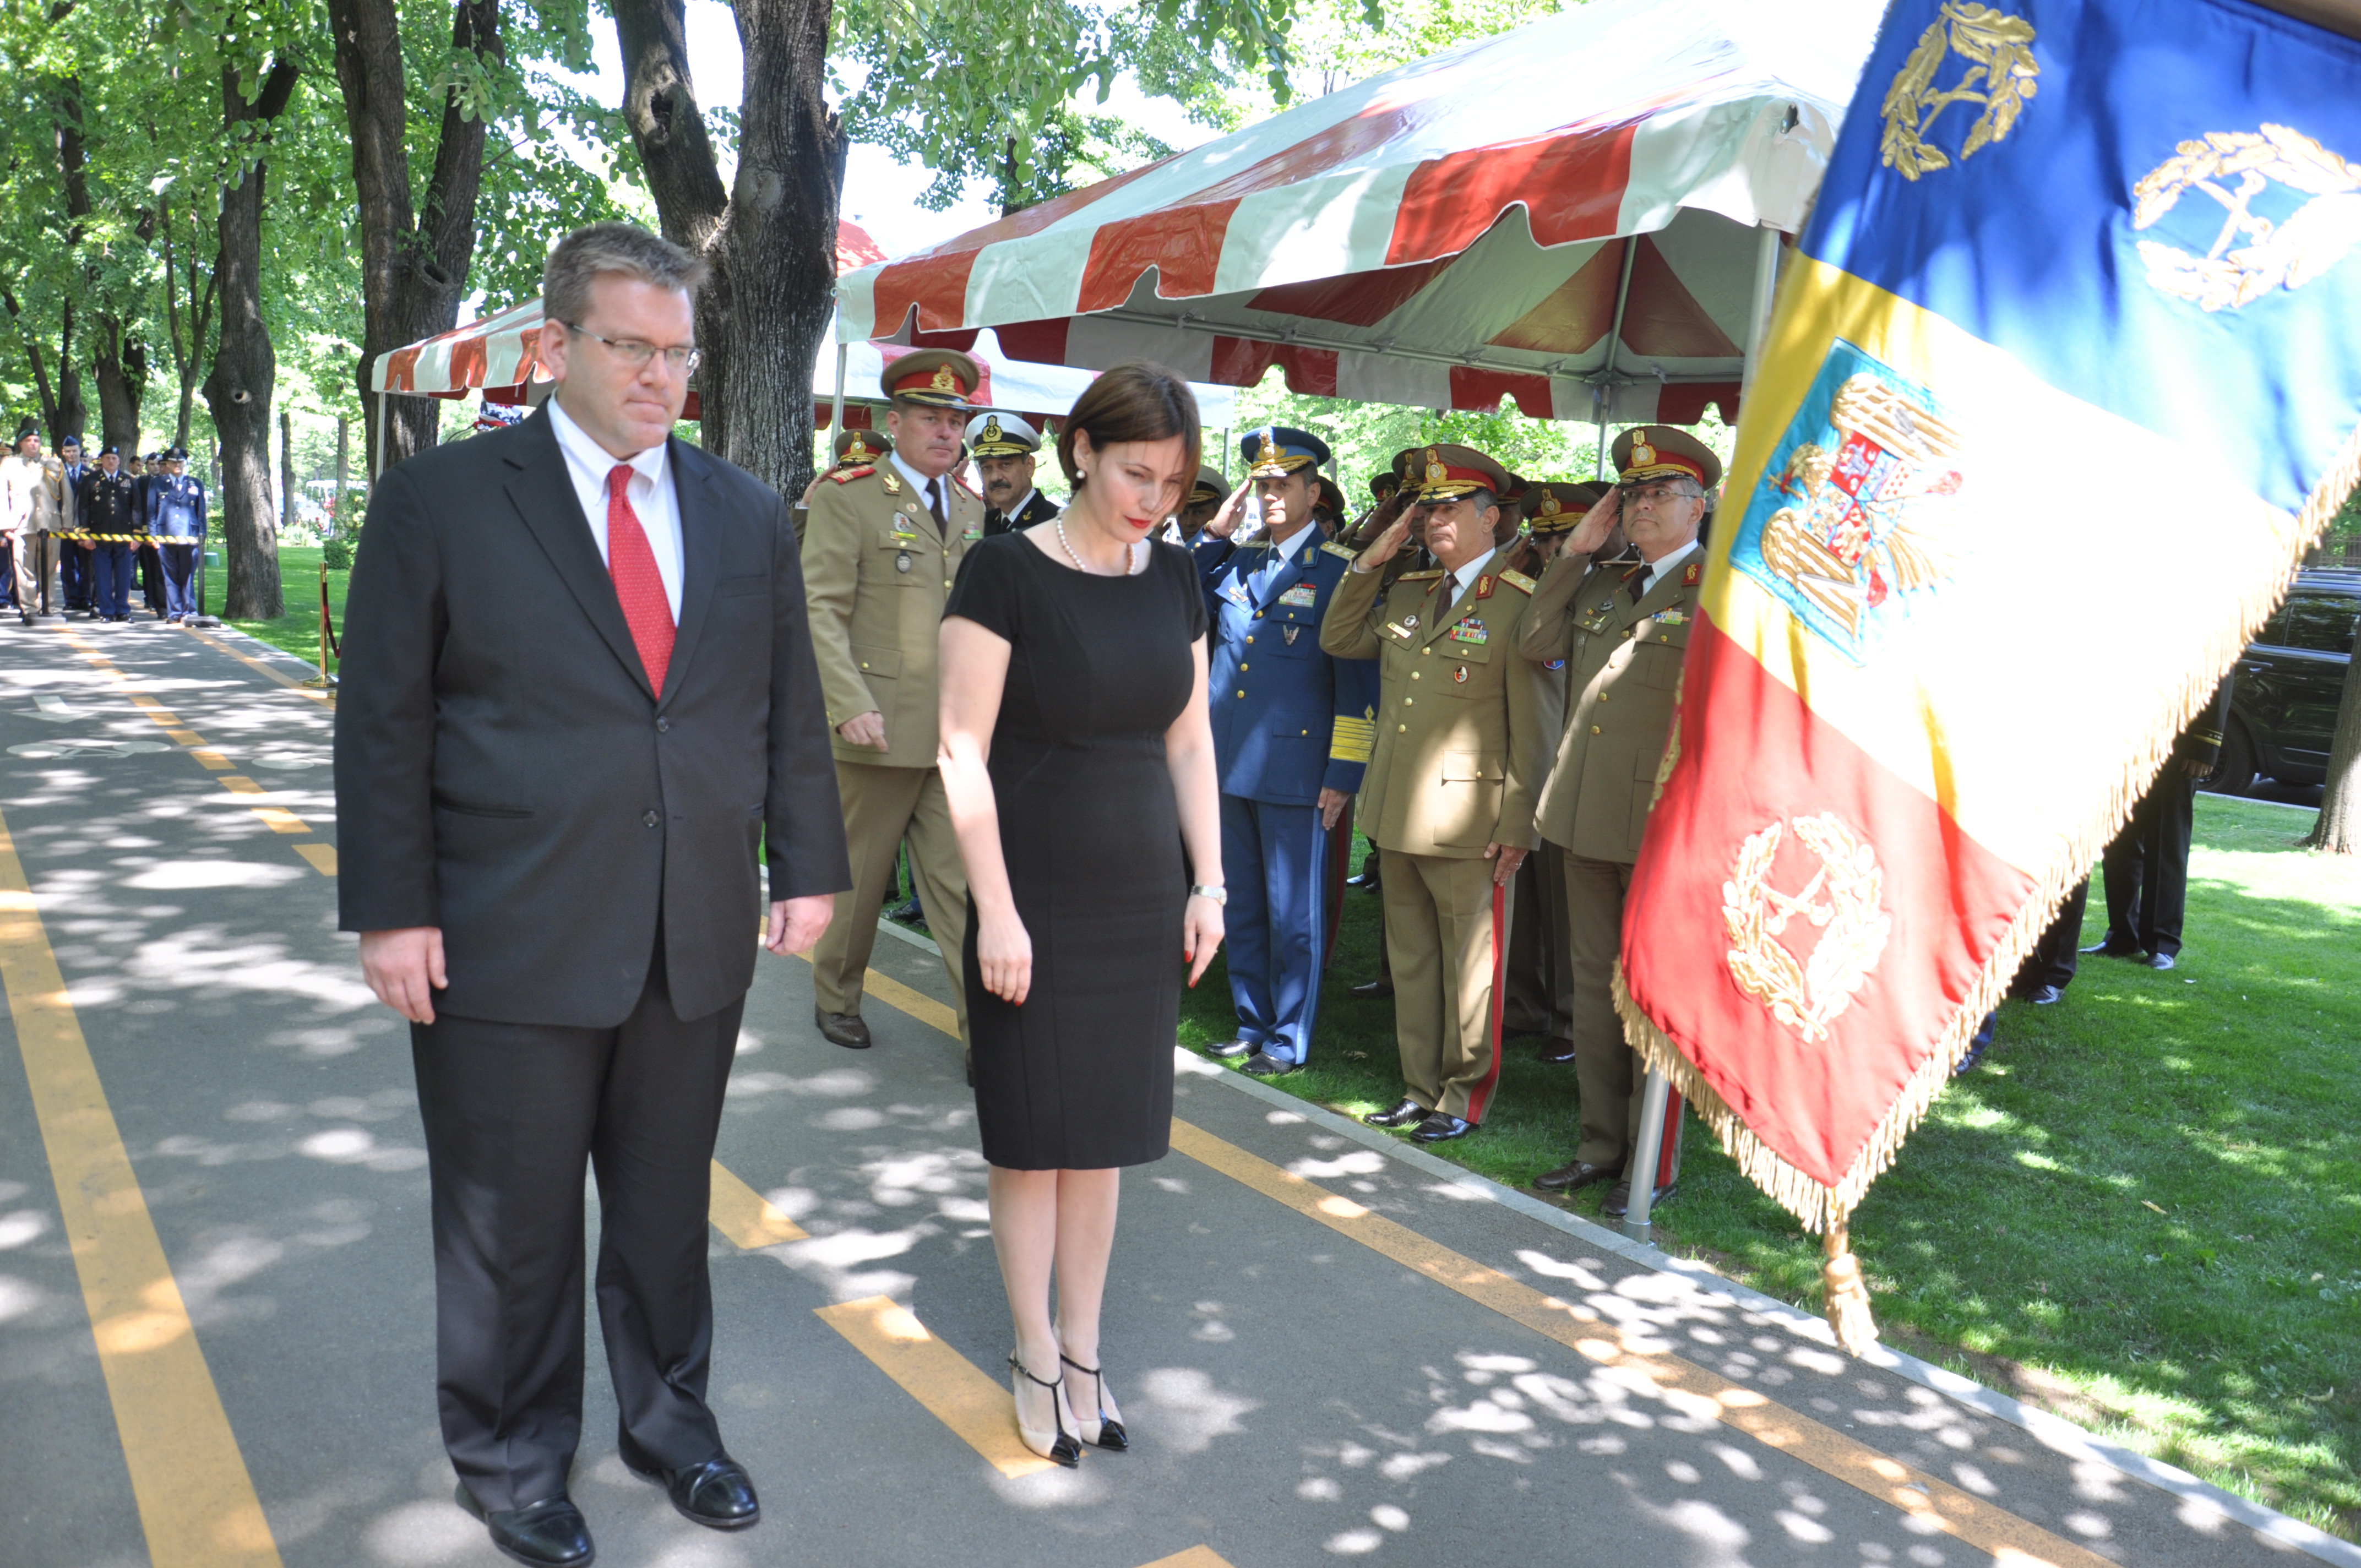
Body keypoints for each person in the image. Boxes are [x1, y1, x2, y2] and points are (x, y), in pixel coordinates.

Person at [334, 222, 848, 1567]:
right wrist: (393, 909)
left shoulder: (738, 507)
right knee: (509, 1216)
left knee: (667, 1207)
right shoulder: (445, 499)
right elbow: (382, 717)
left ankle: (670, 1423)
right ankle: (510, 1458)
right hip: (505, 930)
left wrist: (808, 862)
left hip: (689, 932)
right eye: (632, 346)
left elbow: (779, 703)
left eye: (679, 353)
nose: (661, 376)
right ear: (558, 344)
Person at [937, 361, 1222, 1466]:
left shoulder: (1177, 575)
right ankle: (1032, 1351)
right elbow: (960, 747)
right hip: (1032, 886)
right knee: (1030, 1137)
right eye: (1135, 472)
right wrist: (995, 911)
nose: (1152, 497)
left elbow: (1189, 737)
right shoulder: (1002, 571)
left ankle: (1087, 1349)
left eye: (1173, 480)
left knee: (1098, 1141)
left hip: (1139, 890)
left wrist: (1209, 882)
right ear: (1082, 452)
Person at [1321, 443, 1549, 1144]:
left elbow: (1535, 727)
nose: (1434, 519)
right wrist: (1368, 561)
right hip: (1394, 814)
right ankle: (1418, 1087)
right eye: (1428, 509)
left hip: (1469, 820)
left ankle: (1462, 1094)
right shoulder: (1411, 591)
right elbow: (1337, 637)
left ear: (1491, 520)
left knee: (1470, 969)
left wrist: (1519, 824)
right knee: (1413, 962)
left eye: (1450, 507)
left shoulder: (1519, 606)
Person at [1520, 426, 1721, 1217]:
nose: (1641, 504)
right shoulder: (1603, 585)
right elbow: (1535, 642)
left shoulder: (1719, 592)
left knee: (1654, 995)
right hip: (1584, 814)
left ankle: (1653, 1160)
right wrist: (1574, 553)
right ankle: (1600, 1145)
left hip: (1661, 826)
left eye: (1659, 492)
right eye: (1632, 493)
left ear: (1699, 506)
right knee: (1597, 991)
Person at [800, 349, 984, 1052]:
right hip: (873, 727)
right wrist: (847, 701)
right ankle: (836, 995)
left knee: (961, 890)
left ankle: (985, 1031)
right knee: (857, 881)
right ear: (894, 422)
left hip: (950, 735)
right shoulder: (849, 496)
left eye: (954, 419)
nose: (945, 431)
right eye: (931, 418)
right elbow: (819, 608)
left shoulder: (968, 505)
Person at [1191, 427, 1377, 1077]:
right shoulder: (1235, 562)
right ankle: (1250, 1021)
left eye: (1282, 484)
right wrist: (1216, 532)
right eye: (1262, 483)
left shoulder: (1338, 574)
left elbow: (1357, 684)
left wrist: (1343, 772)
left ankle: (1287, 1036)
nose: (1270, 495)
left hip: (1297, 772)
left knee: (1291, 913)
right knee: (1237, 900)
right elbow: (1172, 587)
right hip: (1227, 763)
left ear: (1312, 491)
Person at [1499, 482, 1604, 1064]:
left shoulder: (1612, 589)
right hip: (1526, 758)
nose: (1551, 548)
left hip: (1579, 765)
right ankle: (1522, 1005)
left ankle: (1566, 1014)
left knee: (1565, 904)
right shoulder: (1530, 591)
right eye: (1543, 539)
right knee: (1525, 897)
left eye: (1563, 536)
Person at [2085, 677, 2234, 971]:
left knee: (2166, 844)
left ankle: (2162, 943)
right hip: (2125, 740)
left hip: (2178, 743)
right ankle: (2123, 935)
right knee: (2119, 842)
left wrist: (2206, 743)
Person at [2, 421, 66, 621]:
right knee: (24, 568)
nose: (33, 444)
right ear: (21, 443)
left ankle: (49, 606)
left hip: (51, 524)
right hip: (21, 524)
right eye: (29, 440)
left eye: (37, 440)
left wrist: (68, 523)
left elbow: (68, 496)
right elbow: (2, 496)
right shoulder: (10, 464)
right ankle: (29, 608)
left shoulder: (54, 464)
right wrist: (5, 526)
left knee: (48, 568)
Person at [969, 411, 1059, 535]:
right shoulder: (982, 524)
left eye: (1006, 465)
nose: (995, 477)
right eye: (987, 468)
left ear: (1029, 466)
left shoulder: (1056, 524)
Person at [79, 444, 139, 623]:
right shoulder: (90, 480)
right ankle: (106, 611)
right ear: (101, 461)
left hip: (124, 536)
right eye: (107, 458)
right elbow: (83, 509)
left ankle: (123, 611)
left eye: (114, 458)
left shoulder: (129, 480)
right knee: (102, 575)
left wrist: (137, 536)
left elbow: (136, 509)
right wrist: (85, 534)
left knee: (123, 576)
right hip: (99, 536)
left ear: (119, 461)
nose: (111, 461)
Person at [146, 447, 207, 623]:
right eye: (173, 462)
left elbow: (200, 511)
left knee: (188, 574)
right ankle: (174, 612)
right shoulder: (158, 483)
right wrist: (152, 534)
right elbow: (151, 511)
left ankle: (189, 611)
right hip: (166, 535)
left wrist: (202, 534)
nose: (177, 465)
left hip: (190, 535)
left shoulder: (195, 484)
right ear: (167, 464)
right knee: (170, 575)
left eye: (181, 462)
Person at [58, 436, 93, 617]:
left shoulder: (90, 474)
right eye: (68, 452)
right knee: (68, 563)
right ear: (63, 454)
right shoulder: (56, 474)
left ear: (80, 451)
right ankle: (71, 599)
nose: (71, 455)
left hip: (83, 528)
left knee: (86, 565)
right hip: (63, 528)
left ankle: (85, 597)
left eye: (74, 451)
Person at [1168, 467, 1229, 543]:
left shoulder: (1235, 555)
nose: (1189, 522)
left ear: (1218, 514)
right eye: (1184, 513)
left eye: (1199, 512)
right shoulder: (1173, 555)